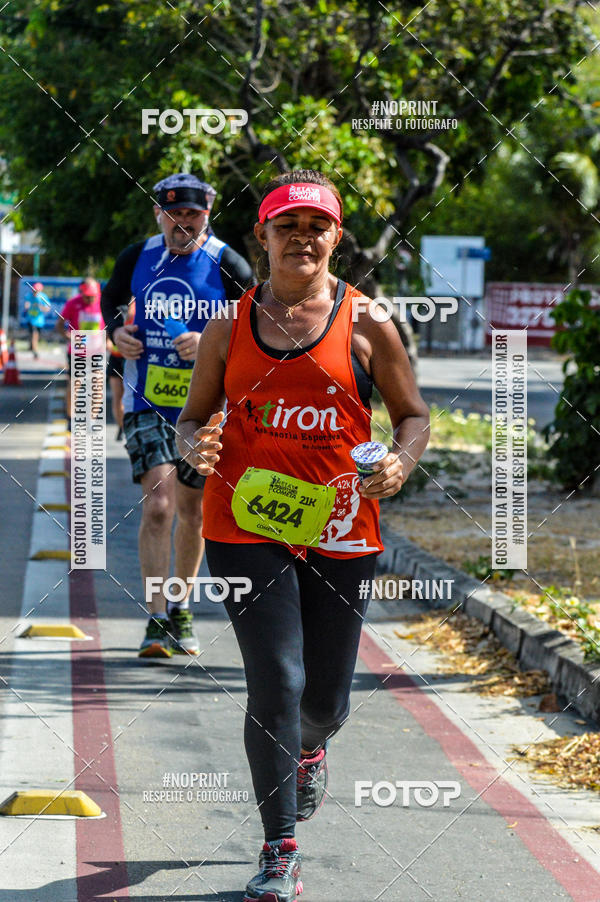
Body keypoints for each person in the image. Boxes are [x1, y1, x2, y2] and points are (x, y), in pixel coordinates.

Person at [176, 169, 430, 902]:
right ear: (262, 236)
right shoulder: (227, 326)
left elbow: (412, 415)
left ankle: (310, 747)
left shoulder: (368, 321)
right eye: (287, 226)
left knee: (324, 702)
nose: (302, 238)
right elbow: (191, 418)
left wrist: (401, 462)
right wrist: (194, 446)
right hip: (244, 523)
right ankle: (279, 848)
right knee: (277, 682)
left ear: (336, 238)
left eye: (317, 227)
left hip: (342, 526)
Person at [101, 172, 254, 659]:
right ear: (158, 214)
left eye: (192, 215)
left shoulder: (227, 263)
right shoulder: (137, 257)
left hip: (207, 408)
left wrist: (210, 343)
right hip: (147, 399)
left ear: (206, 216)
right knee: (159, 505)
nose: (182, 223)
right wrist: (117, 335)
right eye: (173, 214)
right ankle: (154, 618)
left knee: (192, 511)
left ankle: (181, 607)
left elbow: (255, 325)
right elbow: (111, 303)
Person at [58, 278, 104, 429]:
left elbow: (111, 323)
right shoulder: (73, 303)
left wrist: (109, 340)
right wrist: (68, 336)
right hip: (78, 350)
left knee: (97, 384)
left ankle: (92, 420)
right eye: (87, 296)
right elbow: (59, 324)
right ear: (82, 292)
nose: (90, 299)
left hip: (97, 350)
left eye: (93, 296)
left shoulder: (103, 302)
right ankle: (71, 418)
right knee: (75, 384)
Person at [24, 281, 50, 358]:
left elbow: (47, 308)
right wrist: (27, 307)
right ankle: (35, 350)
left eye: (36, 291)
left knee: (36, 335)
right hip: (30, 319)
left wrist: (41, 307)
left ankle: (32, 346)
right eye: (34, 290)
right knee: (34, 334)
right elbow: (26, 304)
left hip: (39, 320)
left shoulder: (43, 297)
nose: (34, 292)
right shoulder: (29, 296)